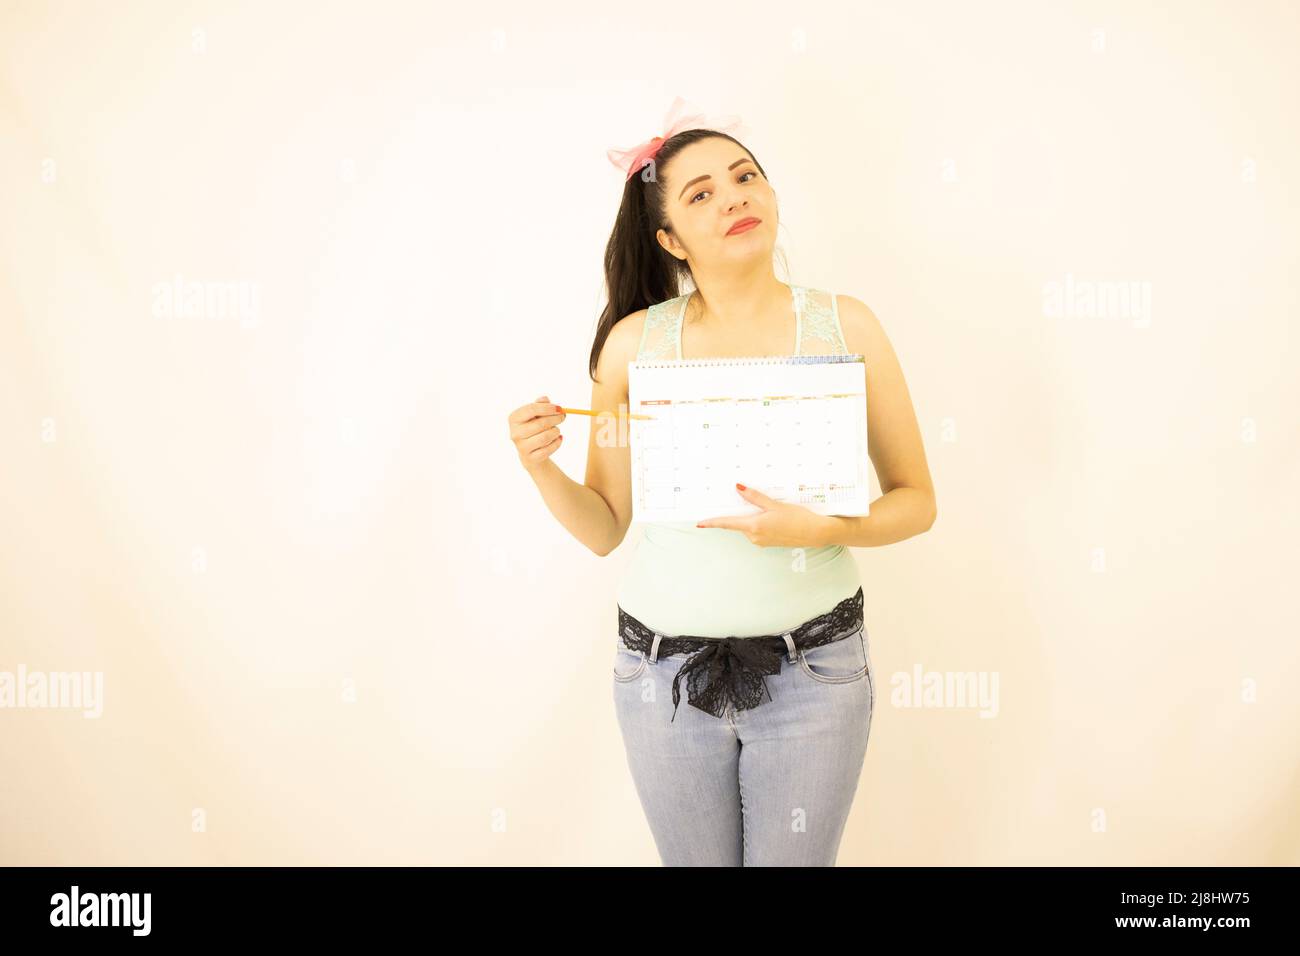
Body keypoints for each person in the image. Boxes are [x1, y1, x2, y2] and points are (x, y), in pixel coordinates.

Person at [507, 108, 936, 866]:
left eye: (745, 177)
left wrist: (826, 528)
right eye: (701, 194)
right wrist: (541, 465)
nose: (735, 197)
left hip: (816, 672)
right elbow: (606, 525)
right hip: (659, 673)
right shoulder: (635, 345)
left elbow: (915, 500)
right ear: (669, 239)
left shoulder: (849, 328)